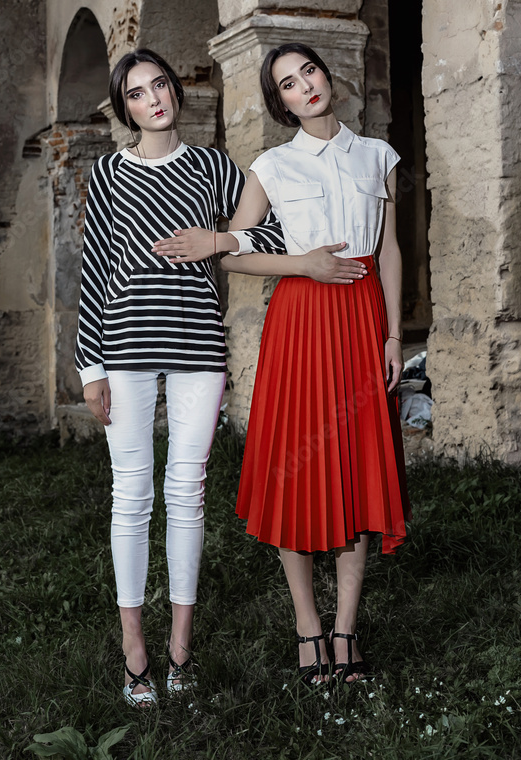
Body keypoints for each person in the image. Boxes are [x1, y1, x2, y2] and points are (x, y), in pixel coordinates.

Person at [75, 48, 289, 707]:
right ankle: (134, 646)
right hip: (125, 345)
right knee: (131, 493)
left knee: (188, 489)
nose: (153, 99)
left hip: (198, 344)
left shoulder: (213, 166)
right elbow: (93, 269)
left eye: (159, 85)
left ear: (175, 91)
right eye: (136, 94)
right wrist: (90, 366)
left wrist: (219, 242)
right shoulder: (107, 173)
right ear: (125, 108)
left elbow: (277, 230)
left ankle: (180, 650)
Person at [211, 43, 410, 686]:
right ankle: (307, 628)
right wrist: (305, 265)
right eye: (288, 84)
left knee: (355, 466)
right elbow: (235, 255)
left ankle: (346, 630)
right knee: (296, 467)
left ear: (328, 76)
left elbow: (389, 251)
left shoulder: (379, 156)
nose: (305, 87)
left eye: (310, 73)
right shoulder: (272, 164)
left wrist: (392, 335)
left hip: (361, 321)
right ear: (281, 102)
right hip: (299, 322)